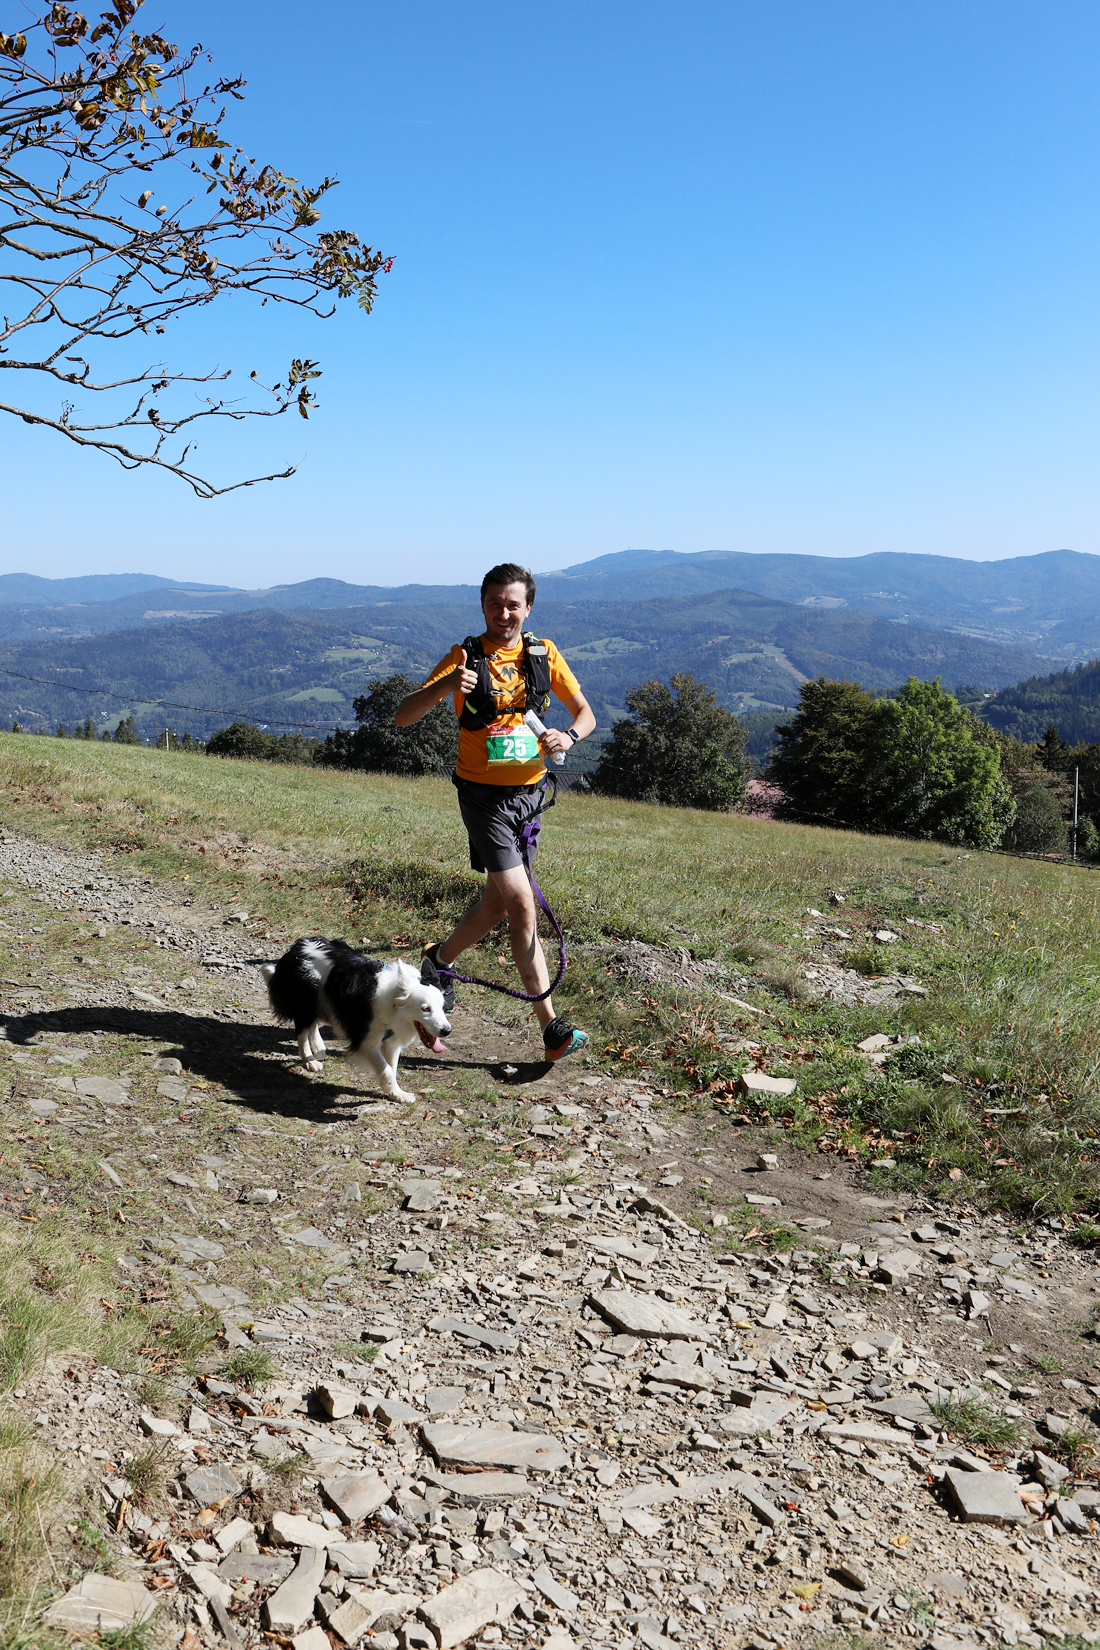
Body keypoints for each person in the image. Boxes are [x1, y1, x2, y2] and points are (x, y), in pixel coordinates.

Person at [394, 562, 595, 1061]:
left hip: (530, 797)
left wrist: (567, 736)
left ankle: (438, 961)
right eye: (494, 604)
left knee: (498, 905)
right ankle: (551, 1027)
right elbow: (402, 717)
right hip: (482, 797)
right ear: (482, 606)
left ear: (528, 608)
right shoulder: (463, 656)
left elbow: (585, 714)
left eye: (513, 605)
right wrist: (446, 686)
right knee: (522, 904)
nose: (504, 614)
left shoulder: (543, 654)